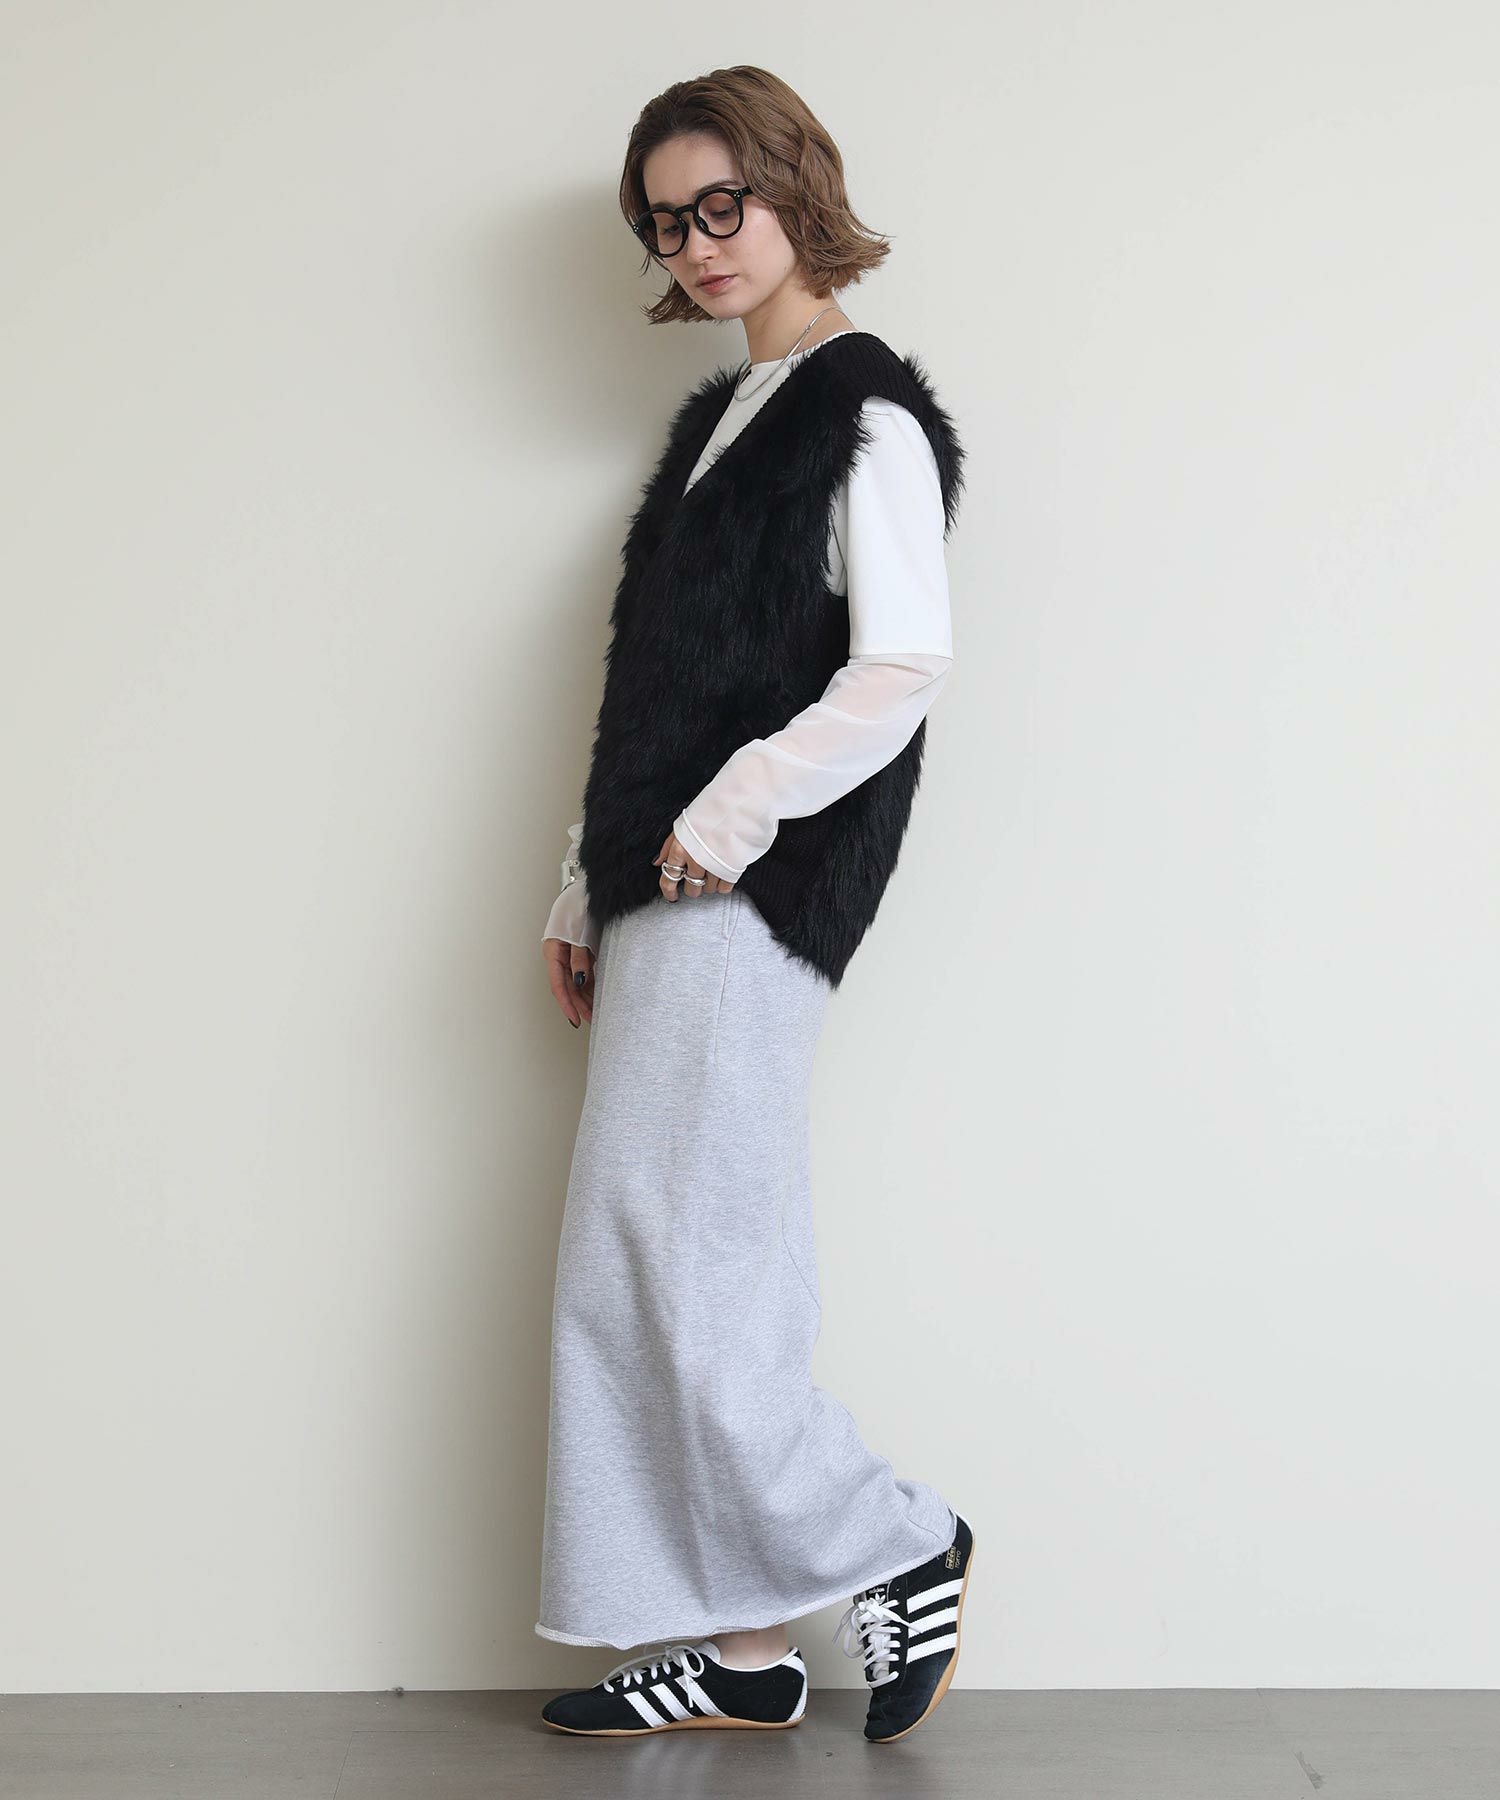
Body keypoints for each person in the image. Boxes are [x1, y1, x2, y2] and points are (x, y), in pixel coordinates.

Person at [535, 65, 975, 1745]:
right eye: (669, 221)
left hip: (752, 887)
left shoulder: (864, 410)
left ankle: (895, 1536)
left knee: (695, 1264)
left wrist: (726, 822)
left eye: (725, 203)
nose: (700, 242)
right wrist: (580, 883)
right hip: (664, 882)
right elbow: (653, 685)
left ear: (795, 184)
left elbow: (902, 666)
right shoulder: (721, 419)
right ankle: (735, 1648)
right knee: (643, 1261)